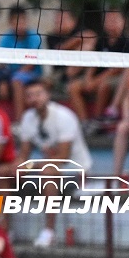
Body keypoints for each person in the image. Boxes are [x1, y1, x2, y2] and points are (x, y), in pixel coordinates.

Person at [11, 79, 91, 247]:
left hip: (76, 171)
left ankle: (49, 231)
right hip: (47, 169)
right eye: (30, 95)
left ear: (48, 95)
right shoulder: (27, 118)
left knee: (47, 171)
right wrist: (17, 166)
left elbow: (63, 158)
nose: (34, 98)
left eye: (38, 94)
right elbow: (24, 154)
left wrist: (29, 166)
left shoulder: (64, 116)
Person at [67, 8, 129, 124]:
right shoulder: (102, 39)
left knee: (104, 86)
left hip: (115, 78)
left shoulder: (128, 42)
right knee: (73, 87)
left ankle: (97, 121)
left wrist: (96, 81)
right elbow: (94, 61)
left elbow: (119, 69)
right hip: (98, 77)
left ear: (123, 22)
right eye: (108, 19)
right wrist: (88, 79)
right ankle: (85, 123)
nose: (110, 22)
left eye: (114, 19)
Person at [0, 5, 42, 121]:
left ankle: (19, 122)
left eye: (22, 21)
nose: (20, 24)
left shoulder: (34, 37)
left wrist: (8, 80)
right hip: (10, 74)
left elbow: (30, 64)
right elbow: (1, 62)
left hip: (31, 74)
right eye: (16, 22)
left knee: (16, 80)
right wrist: (2, 79)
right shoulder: (6, 37)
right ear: (10, 23)